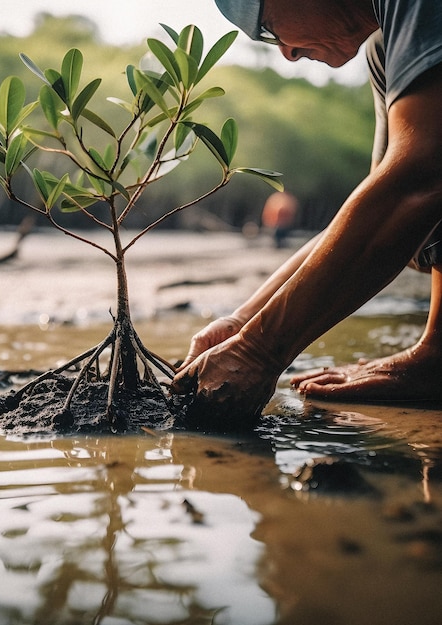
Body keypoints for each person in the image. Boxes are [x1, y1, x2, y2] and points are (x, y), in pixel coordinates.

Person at [171, 0, 442, 419]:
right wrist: (243, 322)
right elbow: (384, 208)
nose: (287, 52)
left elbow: (421, 179)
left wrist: (259, 350)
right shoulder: (388, 47)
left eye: (268, 28)